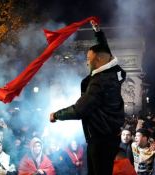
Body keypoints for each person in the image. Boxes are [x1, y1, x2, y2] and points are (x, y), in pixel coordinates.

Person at [49, 20, 126, 174]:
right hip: (109, 134)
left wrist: (56, 115)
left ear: (98, 61)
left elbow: (79, 110)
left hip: (100, 138)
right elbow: (105, 50)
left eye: (88, 59)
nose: (86, 63)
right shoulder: (114, 70)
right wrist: (98, 31)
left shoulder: (99, 83)